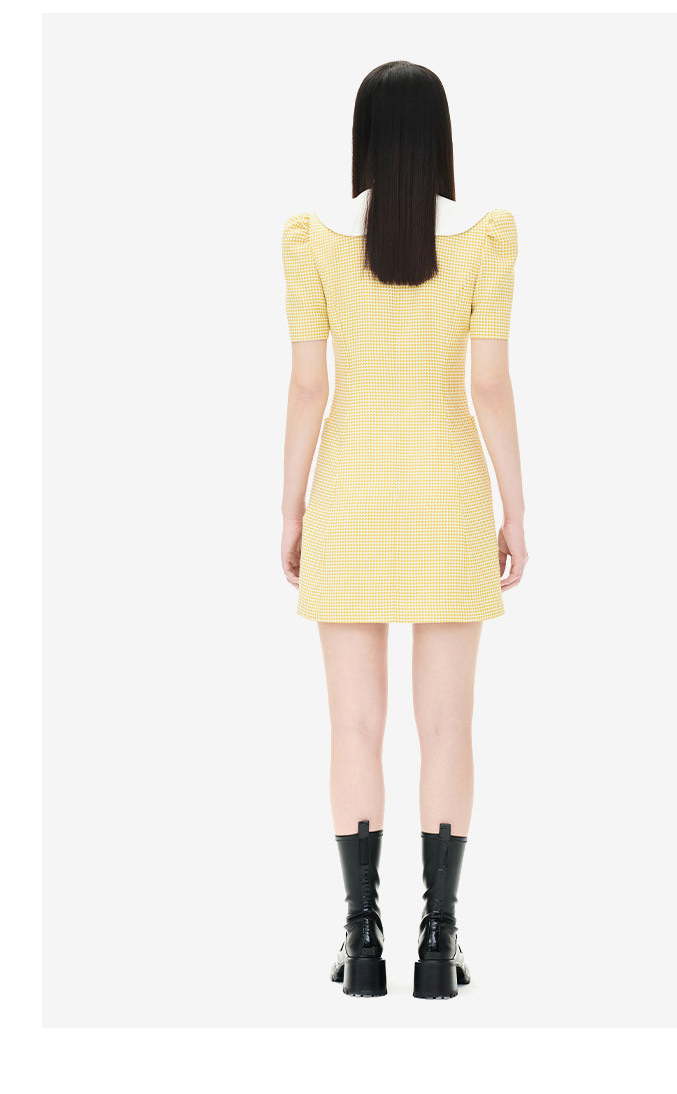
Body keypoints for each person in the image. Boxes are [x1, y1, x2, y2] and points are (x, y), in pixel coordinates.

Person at [280, 61, 528, 999]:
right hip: (450, 500)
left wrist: (291, 506)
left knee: (353, 724)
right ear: (441, 141)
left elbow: (309, 387)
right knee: (448, 725)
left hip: (348, 498)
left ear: (362, 141)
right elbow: (489, 386)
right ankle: (440, 937)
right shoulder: (485, 243)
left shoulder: (311, 243)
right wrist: (516, 508)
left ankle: (361, 937)